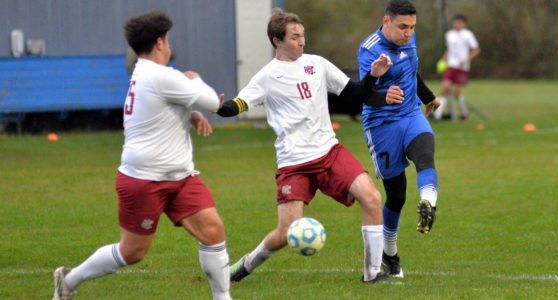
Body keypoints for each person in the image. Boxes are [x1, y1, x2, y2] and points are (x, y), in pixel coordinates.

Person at [53, 10, 231, 300]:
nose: (170, 45)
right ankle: (69, 280)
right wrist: (195, 79)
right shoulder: (161, 75)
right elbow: (213, 101)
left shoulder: (147, 74)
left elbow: (161, 108)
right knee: (132, 251)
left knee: (213, 230)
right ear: (160, 43)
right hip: (143, 179)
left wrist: (191, 114)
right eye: (169, 39)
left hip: (180, 176)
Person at [217, 8, 394, 283]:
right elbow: (238, 105)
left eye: (303, 36)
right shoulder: (268, 76)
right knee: (286, 233)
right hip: (294, 163)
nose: (302, 42)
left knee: (371, 197)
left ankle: (372, 274)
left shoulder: (317, 64)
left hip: (329, 152)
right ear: (277, 41)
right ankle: (245, 265)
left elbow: (354, 94)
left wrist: (372, 76)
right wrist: (218, 106)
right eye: (295, 37)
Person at [357, 0, 441, 278]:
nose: (408, 33)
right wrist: (383, 94)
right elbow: (363, 94)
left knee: (425, 153)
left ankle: (429, 201)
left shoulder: (409, 39)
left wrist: (428, 97)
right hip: (382, 125)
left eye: (412, 27)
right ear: (386, 22)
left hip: (410, 114)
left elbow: (411, 69)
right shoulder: (369, 49)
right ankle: (389, 253)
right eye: (403, 27)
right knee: (397, 195)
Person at [433, 14, 480, 121]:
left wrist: (466, 59)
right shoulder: (449, 34)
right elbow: (449, 50)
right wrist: (443, 59)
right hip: (451, 66)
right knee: (444, 88)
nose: (457, 24)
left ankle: (464, 113)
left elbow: (476, 50)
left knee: (456, 93)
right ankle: (437, 115)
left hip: (462, 68)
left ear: (464, 24)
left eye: (459, 22)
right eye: (455, 22)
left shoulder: (468, 34)